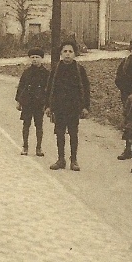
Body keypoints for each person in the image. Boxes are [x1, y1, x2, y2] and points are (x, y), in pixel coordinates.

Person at [45, 41, 91, 171]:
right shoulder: (56, 69)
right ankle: (61, 159)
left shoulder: (79, 69)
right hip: (59, 107)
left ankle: (74, 159)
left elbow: (86, 89)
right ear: (60, 53)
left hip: (74, 107)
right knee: (59, 133)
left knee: (73, 133)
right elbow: (49, 88)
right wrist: (48, 106)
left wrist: (85, 107)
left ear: (75, 54)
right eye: (65, 51)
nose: (67, 54)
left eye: (70, 52)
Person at [15, 47, 49, 156]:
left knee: (39, 125)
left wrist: (47, 104)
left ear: (42, 59)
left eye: (37, 57)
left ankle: (39, 148)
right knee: (26, 125)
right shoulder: (27, 72)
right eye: (32, 57)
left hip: (39, 103)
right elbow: (21, 87)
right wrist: (19, 101)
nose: (35, 59)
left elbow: (48, 90)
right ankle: (25, 146)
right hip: (27, 103)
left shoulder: (46, 74)